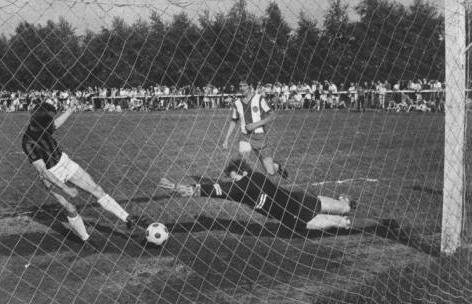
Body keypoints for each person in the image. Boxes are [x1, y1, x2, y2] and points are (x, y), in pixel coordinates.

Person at [21, 100, 139, 248]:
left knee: (96, 189)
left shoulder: (42, 125)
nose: (52, 123)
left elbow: (56, 124)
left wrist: (71, 109)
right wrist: (66, 188)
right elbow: (43, 172)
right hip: (50, 175)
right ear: (42, 122)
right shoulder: (28, 142)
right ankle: (85, 239)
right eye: (50, 120)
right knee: (70, 207)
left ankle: (127, 218)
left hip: (65, 163)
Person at [159, 159, 354, 233]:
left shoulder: (243, 186)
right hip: (299, 206)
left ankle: (344, 213)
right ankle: (345, 212)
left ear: (242, 173)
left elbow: (213, 189)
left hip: (296, 213)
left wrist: (180, 187)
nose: (232, 182)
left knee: (340, 217)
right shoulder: (250, 182)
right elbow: (213, 189)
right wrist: (182, 187)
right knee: (341, 215)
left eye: (233, 178)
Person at [222, 80, 288, 178]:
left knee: (270, 172)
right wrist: (226, 139)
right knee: (243, 159)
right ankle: (242, 178)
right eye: (240, 86)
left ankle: (276, 166)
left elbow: (272, 115)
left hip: (260, 137)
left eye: (244, 85)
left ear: (250, 86)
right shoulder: (237, 103)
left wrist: (255, 125)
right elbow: (233, 121)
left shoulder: (259, 99)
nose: (242, 88)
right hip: (245, 136)